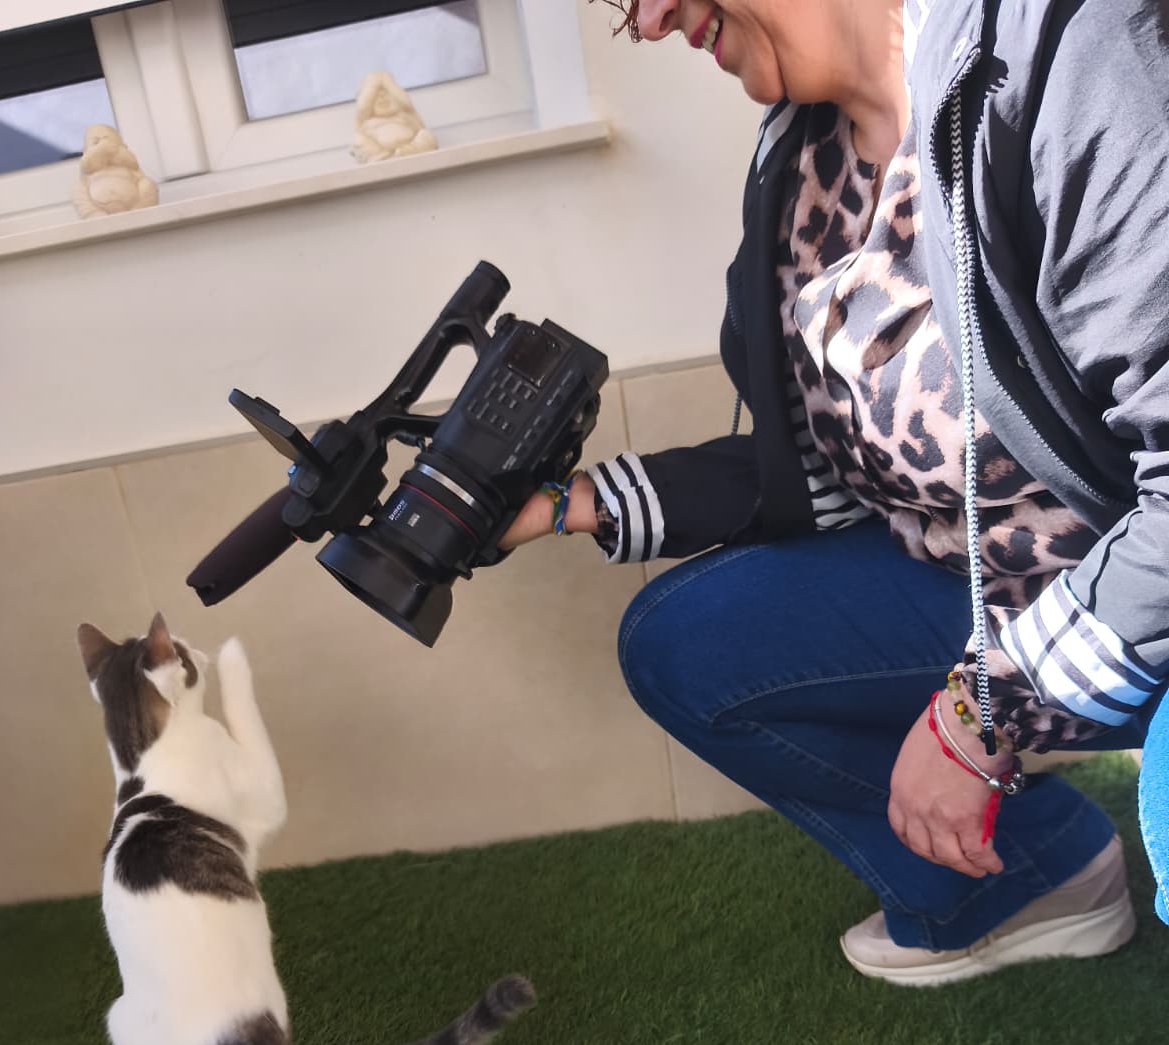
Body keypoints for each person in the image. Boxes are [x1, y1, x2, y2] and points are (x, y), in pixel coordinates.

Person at [500, 0, 1169, 985]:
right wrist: (569, 503)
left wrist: (982, 714)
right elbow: (821, 468)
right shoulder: (798, 155)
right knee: (694, 644)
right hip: (992, 600)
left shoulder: (1064, 52)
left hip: (1139, 589)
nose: (644, 19)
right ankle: (1036, 875)